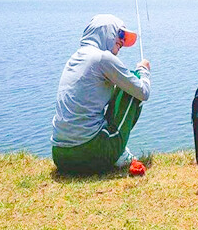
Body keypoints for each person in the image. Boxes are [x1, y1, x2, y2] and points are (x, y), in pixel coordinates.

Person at [51, 14, 150, 175]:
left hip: (60, 156)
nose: (123, 42)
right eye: (121, 34)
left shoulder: (75, 58)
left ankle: (114, 146)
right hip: (89, 153)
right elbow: (143, 92)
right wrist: (144, 70)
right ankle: (118, 152)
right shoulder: (102, 58)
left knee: (124, 87)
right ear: (106, 32)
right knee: (134, 85)